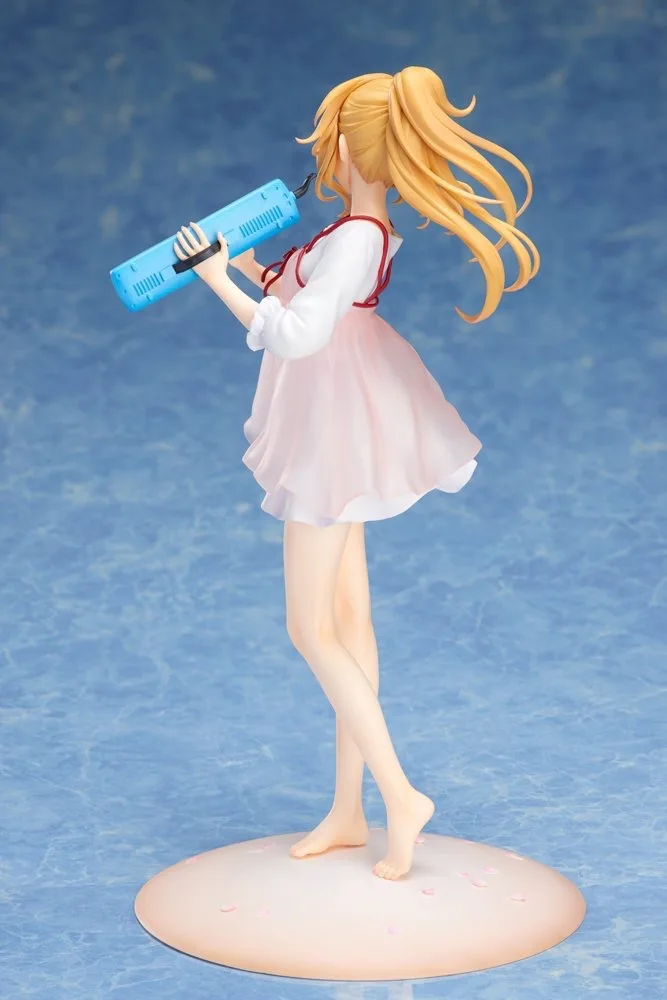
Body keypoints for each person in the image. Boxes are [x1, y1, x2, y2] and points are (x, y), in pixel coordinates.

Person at [173, 66, 539, 880]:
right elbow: (305, 298)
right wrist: (242, 265)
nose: (322, 153)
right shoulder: (357, 233)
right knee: (349, 618)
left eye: (330, 140)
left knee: (310, 629)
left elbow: (297, 335)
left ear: (346, 148)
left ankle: (400, 797)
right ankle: (348, 810)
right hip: (343, 417)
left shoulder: (353, 238)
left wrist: (214, 281)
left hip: (329, 433)